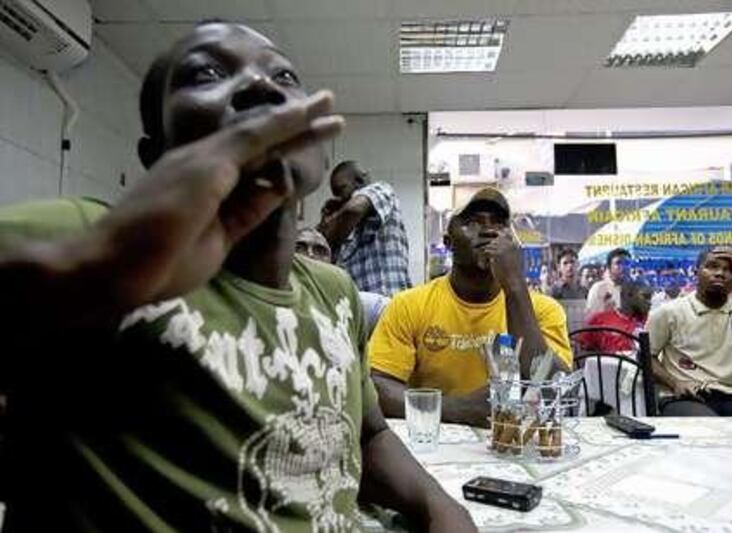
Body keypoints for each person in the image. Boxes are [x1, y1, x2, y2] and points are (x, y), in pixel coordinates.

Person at [0, 22, 475, 532]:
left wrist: (436, 504)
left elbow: (366, 433)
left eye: (284, 76)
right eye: (206, 73)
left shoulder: (332, 291)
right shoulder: (91, 239)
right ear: (156, 153)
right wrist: (103, 262)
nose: (263, 86)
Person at [369, 187, 573, 427]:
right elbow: (377, 388)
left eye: (498, 223)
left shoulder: (543, 309)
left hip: (519, 445)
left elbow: (553, 388)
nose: (488, 230)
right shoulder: (409, 306)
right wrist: (457, 409)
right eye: (472, 222)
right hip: (438, 447)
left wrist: (515, 286)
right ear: (448, 242)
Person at [646, 246, 732, 418]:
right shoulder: (668, 312)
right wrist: (675, 383)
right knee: (710, 431)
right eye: (712, 266)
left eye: (729, 270)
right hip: (688, 396)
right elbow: (646, 356)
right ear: (696, 272)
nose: (720, 274)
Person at [318, 161, 411, 296]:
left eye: (341, 190)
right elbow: (324, 247)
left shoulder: (381, 189)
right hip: (360, 307)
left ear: (360, 181)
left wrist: (333, 221)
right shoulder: (346, 226)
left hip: (390, 301)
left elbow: (353, 209)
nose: (338, 198)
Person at [295, 226, 390, 336]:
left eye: (320, 250)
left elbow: (397, 312)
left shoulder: (351, 303)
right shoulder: (274, 302)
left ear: (331, 264)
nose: (310, 254)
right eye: (299, 248)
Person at [579, 280, 653, 354]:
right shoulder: (598, 320)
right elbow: (581, 354)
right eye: (646, 297)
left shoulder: (651, 320)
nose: (650, 302)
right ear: (628, 295)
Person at [585, 248, 630, 314]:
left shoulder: (635, 289)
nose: (623, 266)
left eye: (627, 263)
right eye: (618, 263)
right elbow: (591, 316)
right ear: (609, 267)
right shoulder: (598, 288)